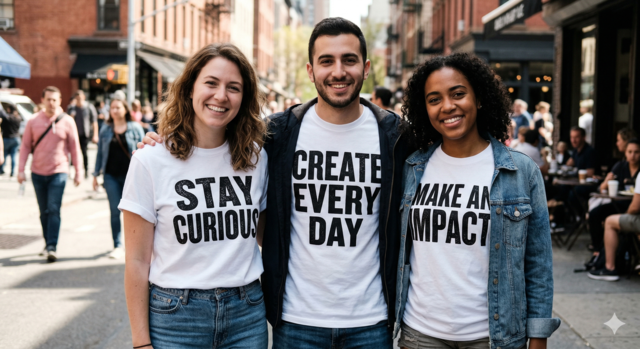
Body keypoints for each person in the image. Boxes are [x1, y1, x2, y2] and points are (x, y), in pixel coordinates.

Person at [140, 18, 410, 348]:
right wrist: (162, 142)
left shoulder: (396, 137)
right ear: (311, 71)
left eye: (349, 60)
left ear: (366, 68)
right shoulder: (277, 134)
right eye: (326, 61)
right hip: (296, 321)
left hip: (371, 322)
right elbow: (217, 142)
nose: (338, 71)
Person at [395, 53, 559, 349]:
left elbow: (538, 264)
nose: (447, 106)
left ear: (479, 98)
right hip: (420, 333)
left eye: (458, 94)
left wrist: (538, 335)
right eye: (434, 99)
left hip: (493, 337)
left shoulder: (521, 172)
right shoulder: (411, 168)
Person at [121, 44, 269, 349]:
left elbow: (266, 236)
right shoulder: (150, 160)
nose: (221, 96)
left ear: (244, 98)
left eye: (234, 87)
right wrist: (140, 342)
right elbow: (136, 261)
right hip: (176, 317)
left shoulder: (257, 158)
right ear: (190, 89)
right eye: (211, 83)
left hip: (247, 313)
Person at [18, 86, 83, 262]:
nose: (51, 103)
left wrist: (79, 171)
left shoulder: (67, 121)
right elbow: (24, 146)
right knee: (43, 211)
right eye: (48, 99)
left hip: (58, 172)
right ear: (43, 100)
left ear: (60, 101)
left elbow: (75, 148)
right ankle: (48, 243)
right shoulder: (33, 121)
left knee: (53, 209)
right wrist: (20, 170)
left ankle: (52, 246)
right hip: (37, 173)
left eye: (55, 99)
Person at [92, 98, 145, 259]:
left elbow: (145, 152)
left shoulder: (135, 128)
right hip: (110, 176)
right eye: (112, 108)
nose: (114, 110)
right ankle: (117, 245)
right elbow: (100, 153)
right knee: (115, 211)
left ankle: (136, 245)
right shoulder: (106, 129)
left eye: (118, 107)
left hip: (132, 177)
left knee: (135, 212)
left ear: (125, 109)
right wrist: (95, 175)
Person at [586, 139, 640, 258]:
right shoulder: (620, 166)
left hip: (636, 206)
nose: (633, 155)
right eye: (630, 152)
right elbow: (602, 189)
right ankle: (599, 250)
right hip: (619, 203)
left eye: (636, 152)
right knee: (595, 213)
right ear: (625, 153)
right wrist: (606, 181)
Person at [588, 171, 640, 281]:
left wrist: (626, 215)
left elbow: (635, 207)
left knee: (610, 222)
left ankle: (610, 268)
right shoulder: (620, 167)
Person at [67, 90, 98, 178]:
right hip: (74, 134)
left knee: (84, 153)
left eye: (80, 98)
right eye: (77, 99)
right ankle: (72, 171)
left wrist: (95, 135)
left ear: (84, 97)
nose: (79, 100)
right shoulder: (71, 108)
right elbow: (67, 121)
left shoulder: (89, 107)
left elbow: (94, 121)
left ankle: (86, 171)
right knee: (73, 152)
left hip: (85, 134)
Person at [0, 104, 22, 177]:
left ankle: (2, 170)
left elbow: (2, 126)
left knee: (4, 155)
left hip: (7, 138)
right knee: (13, 156)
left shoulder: (7, 118)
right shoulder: (18, 118)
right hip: (16, 138)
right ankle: (12, 172)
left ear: (9, 109)